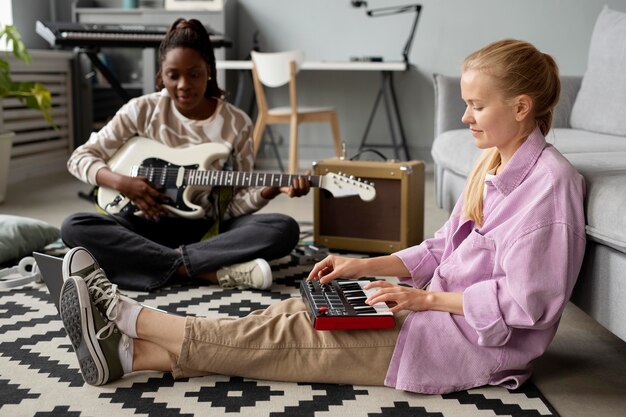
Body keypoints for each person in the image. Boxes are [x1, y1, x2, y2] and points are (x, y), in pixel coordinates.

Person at [57, 39, 586, 394]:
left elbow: (527, 305)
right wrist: (361, 266)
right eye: (466, 103)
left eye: (476, 105)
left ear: (520, 107)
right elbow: (437, 251)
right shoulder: (492, 162)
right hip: (431, 314)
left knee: (289, 339)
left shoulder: (549, 188)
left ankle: (131, 318)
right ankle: (131, 356)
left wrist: (424, 299)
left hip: (458, 343)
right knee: (290, 313)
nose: (463, 116)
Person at [61, 19, 310, 292]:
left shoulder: (236, 123)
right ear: (161, 75)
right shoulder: (141, 110)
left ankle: (157, 263)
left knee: (283, 228)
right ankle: (203, 271)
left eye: (194, 74)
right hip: (140, 225)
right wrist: (122, 183)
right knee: (74, 226)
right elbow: (80, 157)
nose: (183, 85)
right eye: (173, 75)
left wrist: (271, 190)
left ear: (209, 72)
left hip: (204, 232)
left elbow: (233, 206)